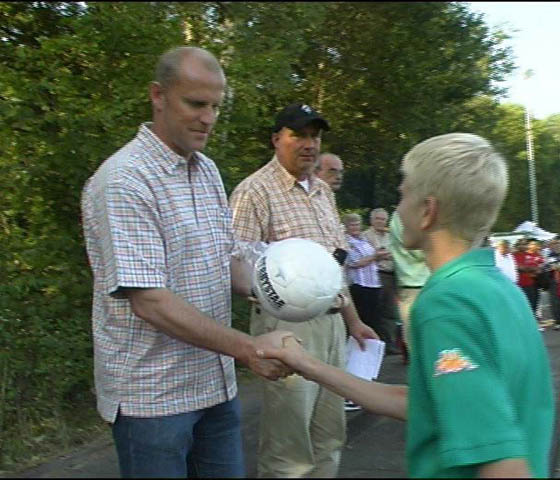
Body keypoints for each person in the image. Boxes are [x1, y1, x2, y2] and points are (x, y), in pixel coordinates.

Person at [257, 132, 554, 478]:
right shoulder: (501, 289)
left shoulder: (447, 304)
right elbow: (422, 402)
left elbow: (504, 465)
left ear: (428, 211)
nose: (397, 209)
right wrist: (304, 363)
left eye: (404, 194)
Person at [81, 46, 295, 479]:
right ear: (157, 96)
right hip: (153, 399)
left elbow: (224, 260)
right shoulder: (124, 180)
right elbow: (150, 302)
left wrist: (290, 290)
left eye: (216, 106)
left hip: (214, 386)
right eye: (196, 104)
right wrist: (249, 349)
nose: (208, 118)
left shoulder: (207, 171)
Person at [229, 103, 378, 478]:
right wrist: (271, 297)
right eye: (298, 135)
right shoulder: (254, 191)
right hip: (287, 328)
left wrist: (354, 322)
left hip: (332, 326)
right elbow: (235, 263)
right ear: (276, 139)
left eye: (315, 136)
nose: (309, 144)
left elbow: (334, 266)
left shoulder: (323, 192)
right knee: (289, 450)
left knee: (330, 436)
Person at [388, 210, 431, 356]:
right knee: (420, 336)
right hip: (416, 282)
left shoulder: (400, 216)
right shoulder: (406, 215)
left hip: (411, 282)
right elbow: (416, 249)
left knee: (414, 334)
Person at [362, 207, 401, 355]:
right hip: (374, 276)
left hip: (392, 275)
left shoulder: (390, 236)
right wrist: (381, 254)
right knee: (376, 311)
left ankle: (390, 343)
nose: (381, 222)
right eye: (378, 219)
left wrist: (383, 254)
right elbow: (370, 255)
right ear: (371, 220)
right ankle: (376, 345)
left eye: (383, 219)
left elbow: (397, 252)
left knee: (390, 311)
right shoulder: (365, 236)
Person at [513, 239, 545, 323]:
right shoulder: (514, 255)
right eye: (520, 244)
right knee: (521, 303)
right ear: (516, 246)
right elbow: (520, 268)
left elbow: (539, 266)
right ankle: (523, 320)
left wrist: (533, 269)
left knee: (533, 302)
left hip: (530, 283)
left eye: (524, 244)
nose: (523, 246)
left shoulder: (528, 254)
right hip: (518, 284)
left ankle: (532, 321)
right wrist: (533, 269)